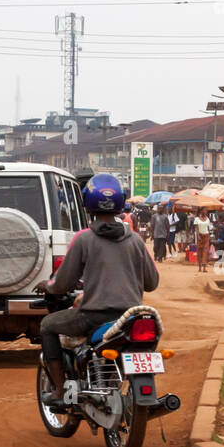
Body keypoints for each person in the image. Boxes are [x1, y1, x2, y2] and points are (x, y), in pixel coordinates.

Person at [34, 173, 158, 410]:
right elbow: (152, 283)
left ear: (87, 203)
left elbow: (63, 284)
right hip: (130, 317)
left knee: (48, 325)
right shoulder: (136, 241)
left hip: (94, 316)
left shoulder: (84, 239)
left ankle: (61, 390)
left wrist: (47, 286)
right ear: (121, 203)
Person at [193, 208, 213, 273]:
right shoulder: (197, 219)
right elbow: (196, 228)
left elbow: (208, 228)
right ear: (201, 211)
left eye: (206, 210)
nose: (205, 211)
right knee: (199, 251)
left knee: (205, 251)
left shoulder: (208, 219)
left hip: (206, 236)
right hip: (200, 236)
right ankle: (199, 267)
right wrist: (198, 236)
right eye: (204, 210)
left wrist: (209, 235)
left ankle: (204, 268)